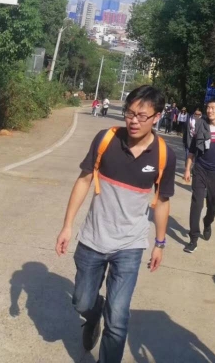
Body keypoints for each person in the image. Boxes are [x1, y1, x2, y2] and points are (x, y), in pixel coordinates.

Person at [55, 85, 176, 363]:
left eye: (142, 116)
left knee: (118, 319)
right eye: (130, 113)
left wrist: (159, 243)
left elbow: (162, 201)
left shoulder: (163, 155)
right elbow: (84, 180)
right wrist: (67, 225)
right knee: (82, 301)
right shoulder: (106, 139)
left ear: (157, 117)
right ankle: (93, 312)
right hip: (93, 238)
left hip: (130, 245)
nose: (134, 121)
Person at [183, 99, 215, 253]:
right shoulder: (201, 125)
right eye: (208, 108)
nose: (209, 110)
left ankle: (207, 222)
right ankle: (193, 238)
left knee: (212, 205)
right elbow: (192, 149)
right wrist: (187, 169)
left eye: (213, 108)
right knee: (196, 203)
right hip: (200, 169)